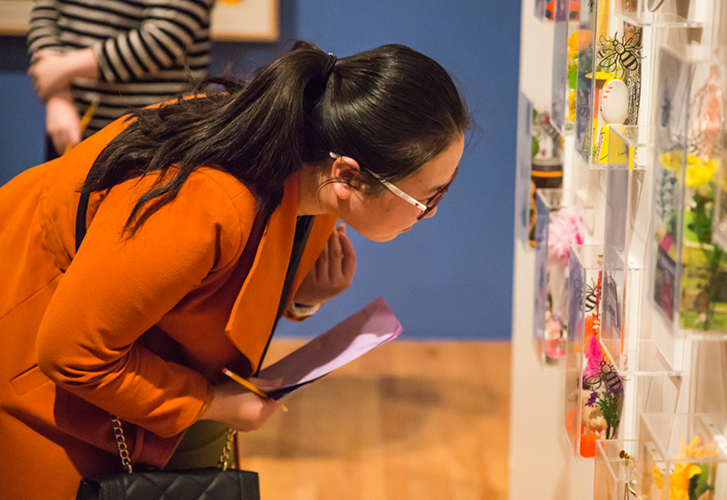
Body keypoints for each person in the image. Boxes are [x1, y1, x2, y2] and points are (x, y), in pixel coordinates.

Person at [0, 41, 469, 499]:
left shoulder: (313, 163)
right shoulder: (207, 203)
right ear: (348, 176)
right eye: (426, 198)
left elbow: (207, 298)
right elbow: (72, 352)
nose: (429, 214)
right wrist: (213, 403)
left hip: (142, 372)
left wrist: (304, 296)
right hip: (34, 358)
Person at [27, 0, 214, 158]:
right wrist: (58, 95)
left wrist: (63, 70)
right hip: (68, 123)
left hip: (154, 136)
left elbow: (165, 36)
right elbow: (44, 11)